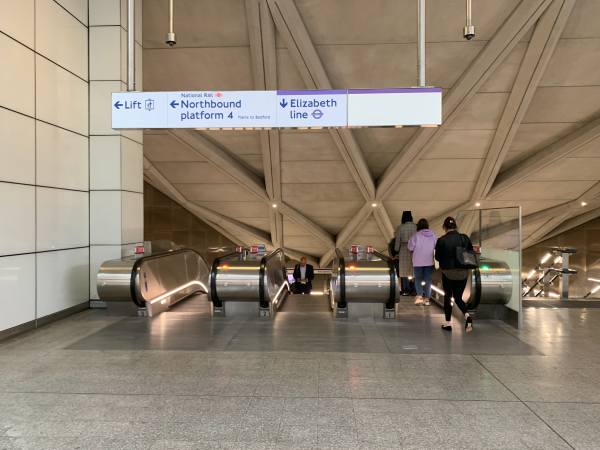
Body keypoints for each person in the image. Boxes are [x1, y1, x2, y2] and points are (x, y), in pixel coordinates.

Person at [435, 216, 474, 332]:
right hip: (463, 272)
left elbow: (437, 257)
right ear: (455, 226)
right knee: (458, 298)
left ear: (444, 227)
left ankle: (448, 324)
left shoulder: (441, 240)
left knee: (448, 296)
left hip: (448, 273)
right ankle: (467, 315)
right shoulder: (465, 238)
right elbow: (470, 253)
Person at [408, 218, 437, 306]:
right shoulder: (433, 235)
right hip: (429, 261)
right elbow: (437, 246)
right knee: (428, 280)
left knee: (418, 279)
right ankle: (427, 299)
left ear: (418, 226)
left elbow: (410, 247)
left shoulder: (416, 236)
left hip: (417, 262)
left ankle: (420, 297)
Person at [394, 211, 417, 296]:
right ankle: (414, 289)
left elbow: (397, 241)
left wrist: (396, 249)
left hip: (404, 248)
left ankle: (405, 290)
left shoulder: (400, 227)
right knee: (413, 269)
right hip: (414, 249)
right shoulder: (416, 227)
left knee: (403, 270)